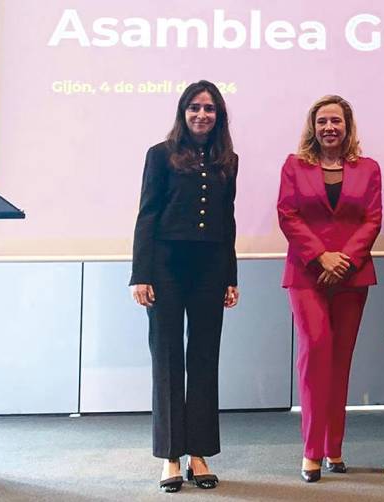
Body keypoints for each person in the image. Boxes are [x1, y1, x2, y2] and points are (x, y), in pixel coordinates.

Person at [130, 80, 239, 493]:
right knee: (168, 358)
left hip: (210, 269)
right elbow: (147, 215)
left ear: (218, 116)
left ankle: (199, 452)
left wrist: (231, 277)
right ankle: (172, 456)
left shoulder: (229, 160)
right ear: (183, 112)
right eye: (194, 108)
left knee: (205, 359)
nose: (201, 115)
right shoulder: (160, 155)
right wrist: (140, 274)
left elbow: (227, 223)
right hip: (165, 268)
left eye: (209, 109)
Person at [277, 95, 382, 483]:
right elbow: (287, 214)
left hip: (352, 276)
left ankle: (333, 447)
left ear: (347, 125)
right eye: (322, 121)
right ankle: (311, 451)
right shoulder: (294, 165)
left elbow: (372, 220)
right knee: (315, 355)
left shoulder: (368, 168)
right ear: (313, 126)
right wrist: (322, 256)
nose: (329, 128)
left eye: (336, 121)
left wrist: (345, 259)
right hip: (307, 275)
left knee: (340, 362)